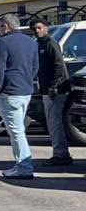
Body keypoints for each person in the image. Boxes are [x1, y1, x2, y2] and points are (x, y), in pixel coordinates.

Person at [0, 13, 38, 179]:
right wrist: (26, 80)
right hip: (25, 90)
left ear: (6, 26)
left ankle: (24, 167)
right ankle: (21, 165)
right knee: (19, 130)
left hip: (9, 91)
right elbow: (35, 67)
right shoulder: (30, 42)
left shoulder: (3, 42)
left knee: (16, 132)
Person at [32, 20, 73, 167]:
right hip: (46, 89)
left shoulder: (50, 43)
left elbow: (59, 66)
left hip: (56, 91)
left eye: (39, 28)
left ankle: (61, 155)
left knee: (54, 123)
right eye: (34, 29)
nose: (37, 31)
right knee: (52, 122)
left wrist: (53, 87)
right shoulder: (39, 44)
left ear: (46, 28)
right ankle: (59, 153)